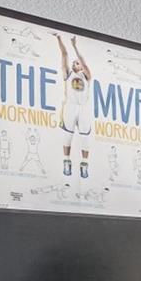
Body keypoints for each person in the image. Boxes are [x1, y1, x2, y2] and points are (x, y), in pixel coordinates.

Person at [56, 33, 93, 179]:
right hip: (70, 106)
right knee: (68, 136)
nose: (74, 64)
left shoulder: (86, 76)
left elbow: (83, 62)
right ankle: (66, 161)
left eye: (76, 63)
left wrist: (75, 46)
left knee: (85, 138)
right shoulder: (68, 74)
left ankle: (84, 165)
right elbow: (64, 55)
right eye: (73, 63)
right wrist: (59, 39)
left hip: (83, 107)